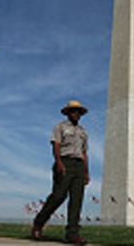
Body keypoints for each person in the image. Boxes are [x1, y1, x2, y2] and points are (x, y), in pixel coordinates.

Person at [31, 100, 90, 245]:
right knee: (58, 196)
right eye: (73, 111)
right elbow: (56, 145)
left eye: (78, 112)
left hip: (79, 166)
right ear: (68, 113)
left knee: (77, 201)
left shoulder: (83, 132)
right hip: (65, 162)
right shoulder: (60, 127)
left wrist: (86, 172)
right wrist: (59, 163)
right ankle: (38, 223)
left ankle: (72, 234)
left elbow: (84, 152)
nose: (76, 114)